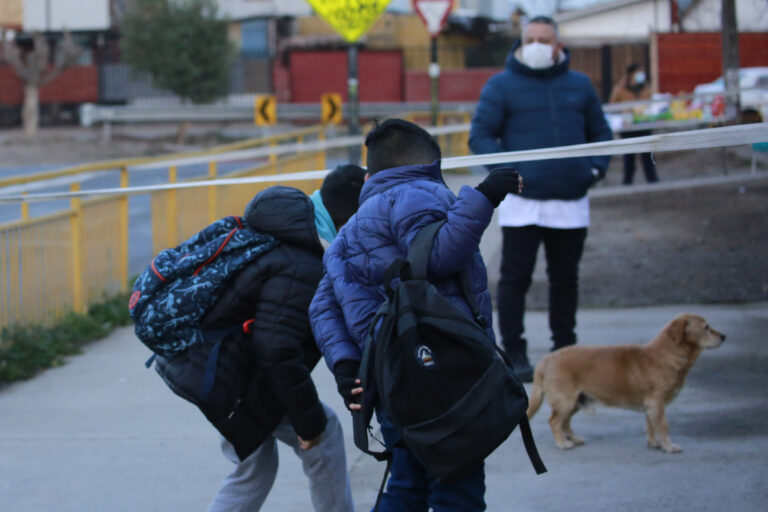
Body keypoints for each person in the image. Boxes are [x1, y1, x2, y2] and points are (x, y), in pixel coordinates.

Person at [309, 118, 523, 511]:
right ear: (431, 164)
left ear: (371, 175)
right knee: (456, 488)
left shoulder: (350, 229)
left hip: (390, 378)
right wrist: (485, 196)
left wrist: (347, 367)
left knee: (407, 487)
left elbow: (322, 305)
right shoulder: (418, 193)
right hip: (442, 372)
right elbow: (436, 255)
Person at [154, 164, 366, 512]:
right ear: (347, 222)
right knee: (322, 436)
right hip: (222, 374)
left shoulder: (292, 230)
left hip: (209, 363)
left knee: (256, 464)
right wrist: (307, 425)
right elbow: (277, 349)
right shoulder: (304, 263)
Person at [468, 15, 613, 382]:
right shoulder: (500, 86)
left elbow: (601, 133)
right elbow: (481, 135)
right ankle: (514, 352)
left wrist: (594, 170)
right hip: (523, 203)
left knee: (565, 279)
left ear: (558, 45)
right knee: (514, 279)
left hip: (571, 201)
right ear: (520, 43)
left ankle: (566, 350)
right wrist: (508, 174)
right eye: (530, 38)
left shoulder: (580, 85)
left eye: (544, 39)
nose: (536, 45)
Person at [610, 63, 659, 184]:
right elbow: (612, 105)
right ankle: (627, 180)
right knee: (628, 155)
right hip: (628, 126)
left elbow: (652, 102)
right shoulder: (620, 88)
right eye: (639, 72)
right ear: (631, 74)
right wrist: (624, 110)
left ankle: (652, 179)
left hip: (644, 124)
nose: (641, 74)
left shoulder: (645, 87)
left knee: (647, 153)